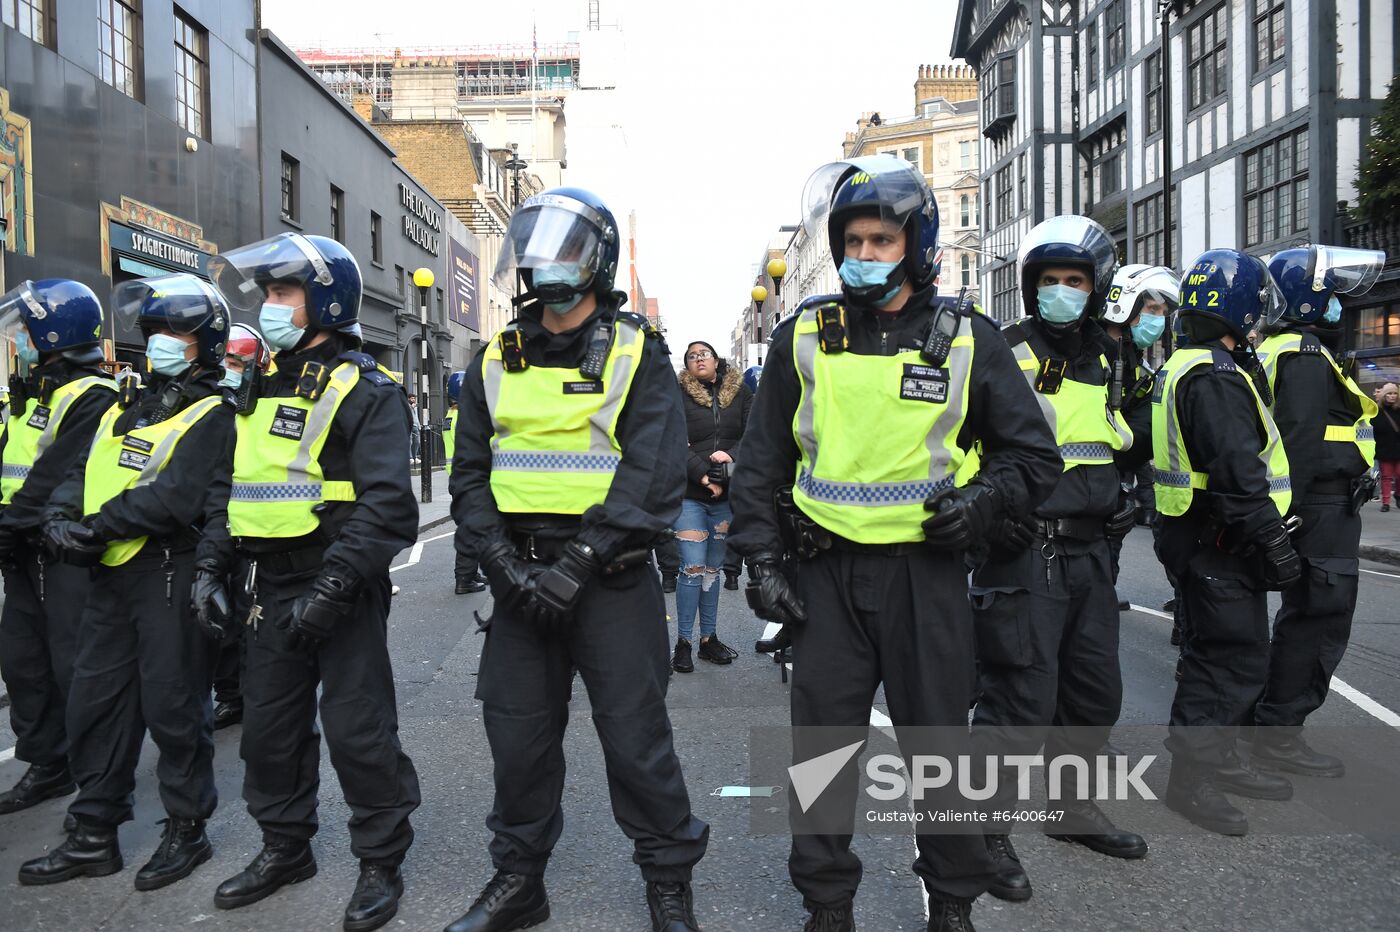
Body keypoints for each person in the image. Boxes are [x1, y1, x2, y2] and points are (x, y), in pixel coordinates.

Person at [728, 155, 1061, 932]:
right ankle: (827, 906)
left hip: (927, 578)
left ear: (917, 245)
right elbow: (760, 463)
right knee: (821, 757)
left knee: (940, 754)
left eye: (881, 240)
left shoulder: (969, 339)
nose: (864, 254)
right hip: (824, 580)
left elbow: (1032, 458)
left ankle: (952, 902)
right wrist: (762, 561)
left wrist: (982, 504)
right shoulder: (804, 338)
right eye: (853, 240)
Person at [445, 187, 707, 932]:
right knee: (517, 743)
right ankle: (518, 882)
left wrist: (583, 560)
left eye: (563, 250)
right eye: (535, 250)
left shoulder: (635, 350)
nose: (545, 264)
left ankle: (667, 882)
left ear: (596, 262)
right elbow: (469, 474)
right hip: (520, 580)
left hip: (608, 581)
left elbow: (654, 472)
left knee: (636, 743)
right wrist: (499, 560)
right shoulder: (495, 356)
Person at [199, 232, 421, 932]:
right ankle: (285, 847)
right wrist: (210, 565)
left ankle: (380, 860)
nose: (269, 306)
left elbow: (390, 507)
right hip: (269, 587)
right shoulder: (256, 387)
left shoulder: (366, 388)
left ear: (323, 302)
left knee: (360, 730)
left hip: (339, 585)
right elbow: (230, 487)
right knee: (269, 730)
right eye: (266, 294)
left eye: (282, 293)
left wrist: (334, 589)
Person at [18, 273, 233, 891]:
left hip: (167, 571)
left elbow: (174, 496)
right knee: (94, 704)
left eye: (175, 333)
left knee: (173, 707)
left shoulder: (214, 412)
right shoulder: (124, 403)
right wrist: (58, 517)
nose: (161, 341)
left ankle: (187, 829)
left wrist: (91, 527)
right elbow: (81, 469)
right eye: (155, 330)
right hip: (108, 575)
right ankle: (93, 834)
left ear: (205, 343)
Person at [969, 217, 1151, 903]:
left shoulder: (1106, 357)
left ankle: (1071, 809)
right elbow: (959, 439)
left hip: (1091, 551)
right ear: (1030, 285)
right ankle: (982, 832)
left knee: (1094, 693)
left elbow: (1108, 439)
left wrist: (1122, 493)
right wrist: (991, 514)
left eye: (1075, 280)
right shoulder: (1002, 349)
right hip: (1025, 550)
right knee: (1019, 700)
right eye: (1050, 280)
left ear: (1096, 287)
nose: (1062, 291)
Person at [1153, 248, 1301, 836]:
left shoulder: (1192, 363)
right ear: (1239, 310)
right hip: (1218, 538)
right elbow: (1237, 470)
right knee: (1226, 661)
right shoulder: (1214, 375)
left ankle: (1220, 761)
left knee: (1220, 654)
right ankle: (1191, 782)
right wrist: (1273, 540)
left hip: (1202, 534)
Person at [1252, 246, 1385, 775]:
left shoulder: (1279, 349)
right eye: (1329, 293)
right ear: (1306, 299)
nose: (1337, 304)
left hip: (1319, 506)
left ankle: (1267, 723)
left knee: (1303, 616)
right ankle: (1279, 736)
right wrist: (1290, 518)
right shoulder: (1305, 355)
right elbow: (1300, 443)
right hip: (1321, 509)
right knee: (1317, 620)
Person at [0, 281, 117, 816]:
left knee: (75, 667)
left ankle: (98, 783)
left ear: (53, 333)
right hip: (22, 549)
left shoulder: (94, 396)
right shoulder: (33, 393)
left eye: (27, 330)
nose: (20, 341)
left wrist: (9, 525)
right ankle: (48, 764)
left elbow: (56, 475)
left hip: (62, 551)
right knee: (23, 662)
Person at [201, 323, 273, 731]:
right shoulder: (207, 406)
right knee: (220, 620)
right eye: (225, 360)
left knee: (247, 619)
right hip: (211, 526)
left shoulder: (258, 408)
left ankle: (249, 694)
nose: (229, 368)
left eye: (238, 362)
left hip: (247, 528)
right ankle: (230, 695)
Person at [1098, 264, 1179, 609]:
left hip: (1123, 466)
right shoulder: (1098, 351)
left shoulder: (1129, 353)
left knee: (1116, 529)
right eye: (1152, 309)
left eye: (1162, 311)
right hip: (1098, 468)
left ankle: (1102, 591)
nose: (1158, 319)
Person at [670, 339, 752, 673]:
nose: (698, 359)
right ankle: (683, 643)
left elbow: (754, 433)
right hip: (690, 495)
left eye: (704, 354)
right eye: (692, 356)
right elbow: (673, 440)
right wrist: (703, 476)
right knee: (692, 568)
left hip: (726, 497)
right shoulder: (678, 395)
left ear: (717, 360)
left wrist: (730, 457)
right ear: (687, 365)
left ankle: (708, 639)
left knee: (712, 571)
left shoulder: (741, 393)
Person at [446, 370, 488, 594]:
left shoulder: (450, 416)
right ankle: (464, 578)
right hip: (466, 476)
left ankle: (471, 573)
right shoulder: (463, 417)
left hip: (456, 477)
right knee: (470, 527)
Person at [1374, 382, 1400, 510]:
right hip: (1384, 448)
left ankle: (1398, 495)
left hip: (1398, 447)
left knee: (1399, 474)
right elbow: (1373, 427)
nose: (1392, 396)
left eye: (1395, 393)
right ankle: (1386, 503)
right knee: (1386, 476)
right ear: (1384, 395)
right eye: (1389, 393)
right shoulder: (1377, 410)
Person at [407, 393, 421, 463]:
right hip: (409, 426)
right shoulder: (407, 406)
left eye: (414, 398)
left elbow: (416, 417)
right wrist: (411, 407)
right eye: (412, 398)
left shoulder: (414, 407)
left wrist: (419, 425)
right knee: (410, 441)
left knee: (417, 442)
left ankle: (415, 456)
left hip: (416, 426)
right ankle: (410, 457)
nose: (413, 400)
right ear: (408, 399)